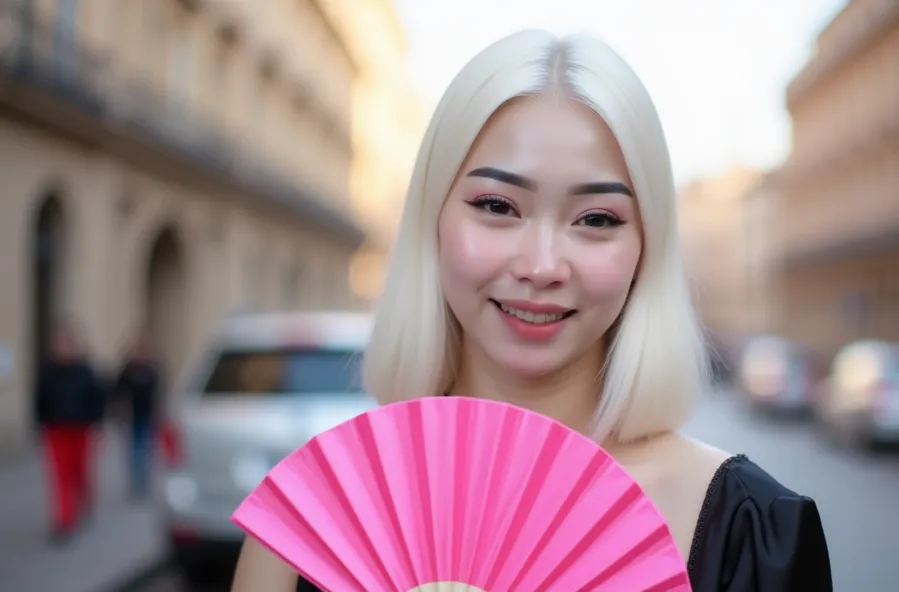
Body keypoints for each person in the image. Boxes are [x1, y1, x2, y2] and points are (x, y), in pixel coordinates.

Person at [232, 30, 833, 591]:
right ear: (432, 220)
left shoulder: (755, 528)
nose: (542, 265)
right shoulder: (313, 513)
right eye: (497, 205)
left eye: (596, 219)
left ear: (646, 249)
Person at [34, 323, 107, 544]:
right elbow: (39, 400)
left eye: (68, 343)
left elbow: (97, 399)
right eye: (60, 343)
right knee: (61, 477)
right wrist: (40, 425)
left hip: (81, 430)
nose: (64, 348)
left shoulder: (85, 370)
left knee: (81, 474)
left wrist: (97, 426)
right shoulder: (48, 370)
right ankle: (65, 520)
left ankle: (84, 505)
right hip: (56, 430)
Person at [113, 330, 163, 499]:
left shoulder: (152, 368)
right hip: (131, 415)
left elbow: (158, 392)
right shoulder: (128, 369)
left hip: (147, 414)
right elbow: (118, 391)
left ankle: (143, 481)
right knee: (134, 449)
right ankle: (136, 482)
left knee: (145, 448)